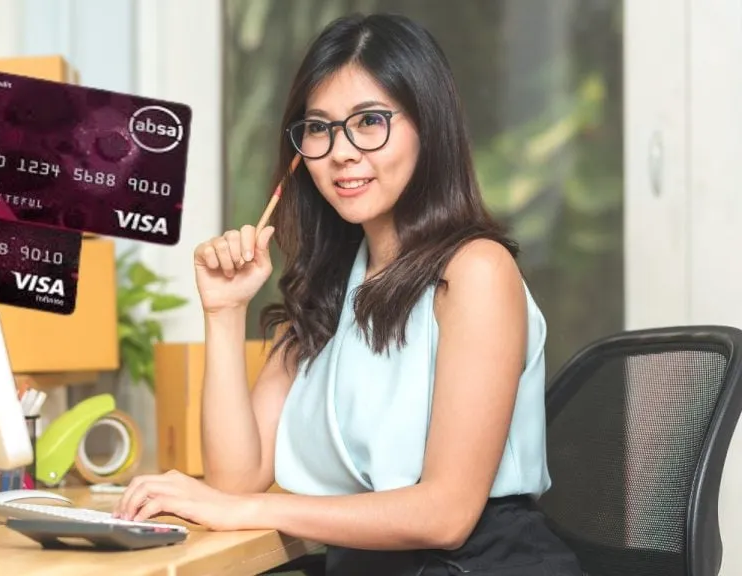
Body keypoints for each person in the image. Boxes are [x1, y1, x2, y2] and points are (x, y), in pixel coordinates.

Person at [114, 12, 584, 576]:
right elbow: (234, 478)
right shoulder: (329, 287)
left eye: (369, 121)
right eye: (319, 128)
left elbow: (446, 515)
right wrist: (223, 311)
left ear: (427, 127)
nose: (341, 151)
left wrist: (246, 508)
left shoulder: (477, 270)